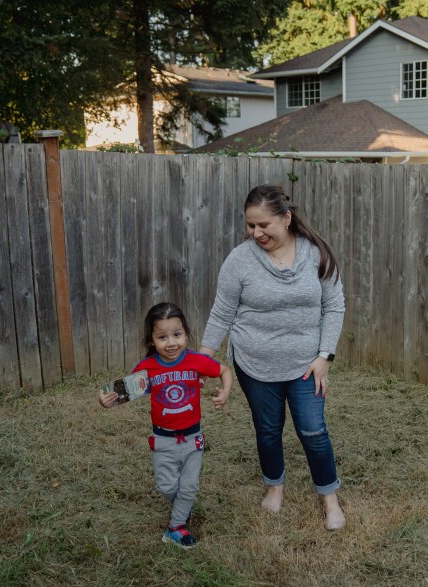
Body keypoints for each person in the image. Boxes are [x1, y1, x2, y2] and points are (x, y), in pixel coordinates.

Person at [200, 184, 346, 531]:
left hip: (306, 365)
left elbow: (334, 306)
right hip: (254, 364)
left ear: (287, 218)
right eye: (251, 225)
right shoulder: (240, 260)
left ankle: (330, 499)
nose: (256, 233)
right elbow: (221, 313)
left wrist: (325, 355)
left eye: (264, 225)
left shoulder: (316, 254)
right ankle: (274, 488)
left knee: (313, 431)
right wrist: (201, 359)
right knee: (267, 430)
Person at [99, 302, 233, 549]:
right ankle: (183, 506)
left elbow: (224, 370)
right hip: (163, 440)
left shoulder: (195, 361)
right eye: (162, 337)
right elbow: (121, 393)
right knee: (166, 486)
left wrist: (225, 391)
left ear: (185, 333)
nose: (171, 343)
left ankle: (175, 528)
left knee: (189, 485)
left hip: (193, 439)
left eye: (177, 335)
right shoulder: (147, 368)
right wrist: (106, 400)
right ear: (152, 339)